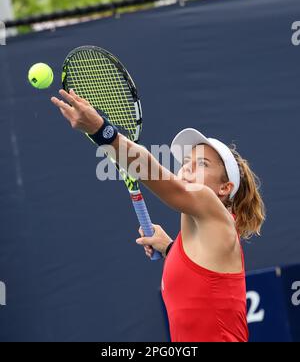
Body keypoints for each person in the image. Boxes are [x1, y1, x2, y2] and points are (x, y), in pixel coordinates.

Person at [51, 89, 265, 342]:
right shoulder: (196, 237)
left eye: (203, 164)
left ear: (225, 188)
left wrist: (102, 131)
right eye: (187, 160)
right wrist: (171, 249)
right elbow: (204, 288)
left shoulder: (211, 206)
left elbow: (159, 176)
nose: (188, 167)